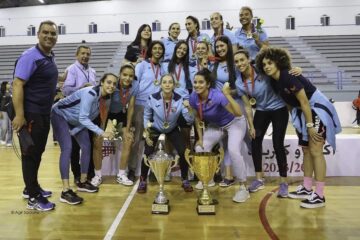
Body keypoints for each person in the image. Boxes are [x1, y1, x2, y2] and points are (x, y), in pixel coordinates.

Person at [256, 47, 341, 208]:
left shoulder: (288, 76)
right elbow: (290, 103)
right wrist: (296, 121)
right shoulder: (275, 82)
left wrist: (309, 126)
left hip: (315, 108)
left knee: (316, 150)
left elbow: (304, 101)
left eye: (270, 63)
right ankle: (307, 188)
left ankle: (320, 195)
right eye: (264, 64)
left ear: (278, 62)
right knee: (306, 150)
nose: (266, 66)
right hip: (303, 113)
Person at [234, 48, 302, 197]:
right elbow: (247, 105)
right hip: (261, 110)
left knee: (278, 143)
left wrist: (295, 69)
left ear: (248, 59)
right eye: (237, 61)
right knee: (255, 140)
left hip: (279, 108)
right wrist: (251, 126)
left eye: (242, 60)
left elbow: (281, 70)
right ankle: (259, 179)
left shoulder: (261, 68)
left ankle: (283, 182)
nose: (240, 63)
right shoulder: (239, 82)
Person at [12, 20, 58, 211]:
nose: (49, 36)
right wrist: (20, 115)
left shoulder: (48, 56)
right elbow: (17, 84)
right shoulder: (30, 56)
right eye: (45, 32)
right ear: (38, 34)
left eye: (53, 33)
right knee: (30, 155)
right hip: (31, 114)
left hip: (42, 113)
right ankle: (33, 197)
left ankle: (31, 187)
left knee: (37, 152)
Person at [51, 73, 117, 205]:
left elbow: (85, 118)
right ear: (102, 82)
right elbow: (83, 118)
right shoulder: (91, 93)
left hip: (74, 121)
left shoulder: (103, 100)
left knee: (86, 147)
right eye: (109, 82)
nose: (112, 86)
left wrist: (73, 131)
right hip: (60, 114)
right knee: (67, 149)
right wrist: (101, 132)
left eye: (114, 84)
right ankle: (65, 191)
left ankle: (82, 181)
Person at [189, 69, 250, 203]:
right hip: (217, 125)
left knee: (233, 151)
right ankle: (207, 179)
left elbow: (239, 113)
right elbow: (197, 118)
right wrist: (200, 138)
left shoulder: (217, 96)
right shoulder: (193, 97)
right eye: (195, 82)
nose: (197, 85)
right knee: (200, 148)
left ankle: (243, 188)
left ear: (208, 84)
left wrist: (227, 95)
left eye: (201, 82)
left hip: (234, 122)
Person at [138, 74, 194, 193]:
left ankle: (185, 180)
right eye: (165, 82)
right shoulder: (152, 98)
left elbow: (189, 120)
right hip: (155, 127)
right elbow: (146, 116)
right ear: (160, 84)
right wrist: (147, 133)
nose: (167, 84)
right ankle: (142, 180)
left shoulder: (180, 99)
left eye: (170, 82)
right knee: (147, 152)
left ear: (174, 85)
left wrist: (189, 109)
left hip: (172, 128)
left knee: (183, 151)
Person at [91, 64, 137, 187]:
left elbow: (131, 108)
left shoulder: (134, 87)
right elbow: (104, 106)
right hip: (105, 112)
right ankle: (97, 175)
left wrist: (127, 129)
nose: (127, 78)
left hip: (120, 114)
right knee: (97, 139)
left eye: (131, 76)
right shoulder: (113, 85)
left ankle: (121, 174)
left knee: (128, 139)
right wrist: (101, 129)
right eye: (125, 75)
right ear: (120, 75)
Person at [126, 40, 165, 182]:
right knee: (137, 139)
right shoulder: (142, 65)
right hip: (141, 105)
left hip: (156, 107)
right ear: (150, 50)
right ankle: (131, 169)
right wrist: (131, 103)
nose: (157, 51)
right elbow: (134, 84)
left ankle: (153, 169)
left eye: (160, 49)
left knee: (154, 139)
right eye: (155, 48)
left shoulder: (162, 68)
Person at [62, 45, 97, 186]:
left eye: (88, 54)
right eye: (82, 53)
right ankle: (77, 175)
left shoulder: (93, 71)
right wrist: (81, 88)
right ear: (77, 55)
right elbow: (65, 90)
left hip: (89, 114)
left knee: (88, 145)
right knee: (75, 148)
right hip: (74, 115)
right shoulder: (71, 69)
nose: (85, 56)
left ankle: (88, 174)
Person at [0, 81, 13, 147]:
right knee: (4, 127)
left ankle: (9, 141)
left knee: (10, 127)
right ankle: (2, 139)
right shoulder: (1, 93)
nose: (9, 85)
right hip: (3, 112)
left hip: (11, 112)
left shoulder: (11, 92)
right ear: (5, 85)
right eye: (8, 84)